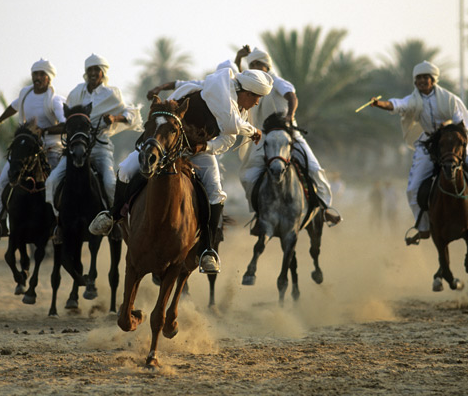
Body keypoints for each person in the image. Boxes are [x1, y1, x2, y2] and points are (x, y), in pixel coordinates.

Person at [92, 67, 274, 274]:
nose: (257, 103)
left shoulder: (239, 110)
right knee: (125, 169)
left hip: (199, 152)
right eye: (257, 98)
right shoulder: (216, 93)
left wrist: (205, 147)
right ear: (246, 93)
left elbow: (227, 140)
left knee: (216, 192)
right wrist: (252, 130)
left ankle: (208, 250)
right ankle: (112, 215)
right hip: (166, 146)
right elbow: (232, 125)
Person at [370, 60, 468, 245]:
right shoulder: (413, 99)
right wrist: (380, 104)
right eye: (418, 78)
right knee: (412, 188)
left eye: (425, 77)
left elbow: (462, 123)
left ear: (433, 79)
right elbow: (397, 104)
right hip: (428, 145)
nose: (421, 81)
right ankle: (423, 225)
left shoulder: (450, 99)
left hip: (453, 143)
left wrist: (448, 134)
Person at [231, 46, 341, 225]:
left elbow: (292, 97)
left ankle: (325, 208)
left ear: (267, 65)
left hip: (288, 135)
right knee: (248, 176)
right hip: (263, 138)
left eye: (259, 64)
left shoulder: (278, 82)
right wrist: (238, 58)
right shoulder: (252, 85)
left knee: (313, 168)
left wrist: (290, 116)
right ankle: (259, 212)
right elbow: (238, 78)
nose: (256, 67)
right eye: (252, 64)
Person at [45, 54, 142, 242]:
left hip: (100, 148)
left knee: (109, 183)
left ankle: (115, 223)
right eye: (89, 70)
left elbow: (130, 112)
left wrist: (115, 118)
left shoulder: (111, 94)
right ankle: (58, 224)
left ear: (102, 73)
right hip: (75, 149)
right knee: (52, 180)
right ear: (86, 72)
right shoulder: (76, 93)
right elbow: (69, 118)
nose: (92, 73)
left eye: (96, 70)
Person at [0, 58, 66, 239]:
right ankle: (0, 221)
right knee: (2, 182)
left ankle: (58, 222)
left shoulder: (55, 100)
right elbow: (13, 108)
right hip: (26, 151)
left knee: (54, 182)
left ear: (49, 78)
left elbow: (65, 125)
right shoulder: (25, 94)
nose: (37, 78)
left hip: (51, 148)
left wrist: (44, 131)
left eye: (41, 75)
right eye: (35, 74)